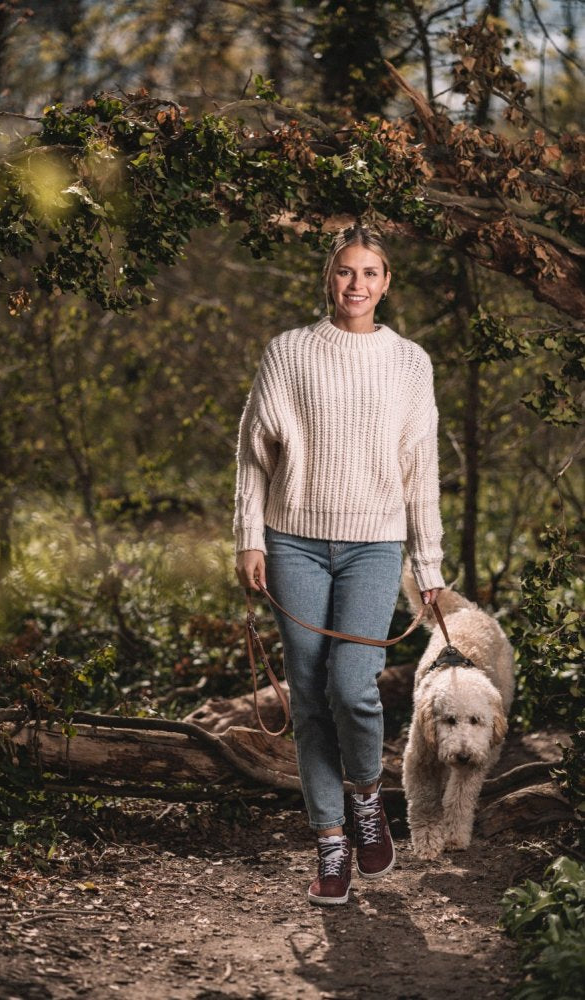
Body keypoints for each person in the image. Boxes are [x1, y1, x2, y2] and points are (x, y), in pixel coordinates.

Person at [233, 223, 445, 906]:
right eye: (345, 271)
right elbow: (251, 453)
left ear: (387, 282)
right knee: (307, 692)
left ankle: (364, 798)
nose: (356, 285)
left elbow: (422, 471)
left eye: (370, 273)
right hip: (291, 540)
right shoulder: (288, 352)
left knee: (352, 685)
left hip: (374, 545)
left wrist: (430, 564)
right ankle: (328, 841)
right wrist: (248, 538)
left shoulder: (410, 362)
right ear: (328, 278)